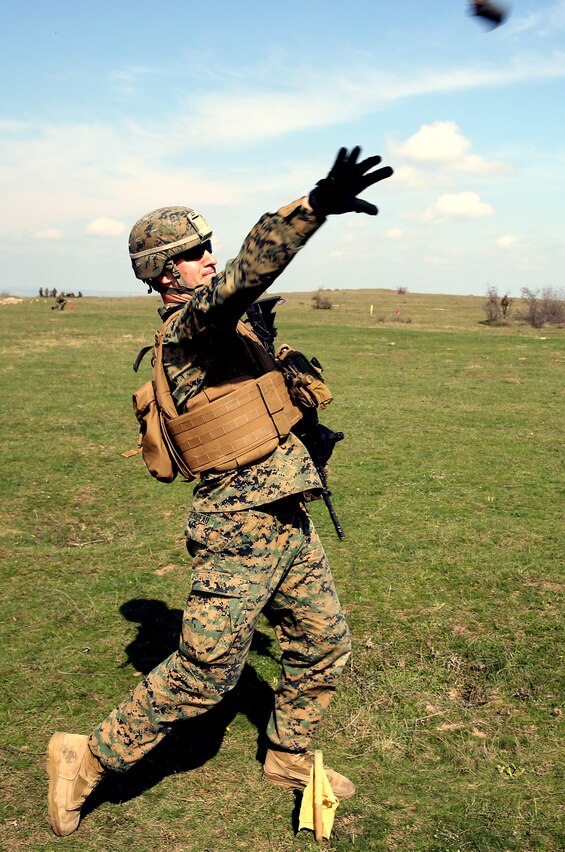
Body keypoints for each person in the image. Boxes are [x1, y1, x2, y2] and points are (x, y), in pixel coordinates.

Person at [46, 146, 393, 837]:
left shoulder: (227, 326)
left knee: (321, 641)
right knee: (206, 674)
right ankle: (84, 758)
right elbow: (241, 276)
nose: (208, 257)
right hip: (238, 522)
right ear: (166, 272)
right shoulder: (188, 329)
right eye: (196, 251)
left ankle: (288, 755)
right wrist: (312, 207)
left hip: (284, 511)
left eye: (209, 247)